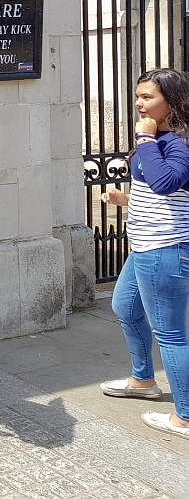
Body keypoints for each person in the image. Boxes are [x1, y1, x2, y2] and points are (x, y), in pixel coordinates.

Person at [100, 67, 189, 440]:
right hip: (144, 246)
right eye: (138, 96)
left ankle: (184, 417)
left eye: (148, 96)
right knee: (125, 307)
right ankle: (142, 380)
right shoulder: (161, 138)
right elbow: (157, 191)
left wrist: (146, 138)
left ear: (172, 100)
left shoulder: (179, 141)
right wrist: (127, 200)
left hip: (167, 249)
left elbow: (168, 183)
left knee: (169, 333)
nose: (139, 103)